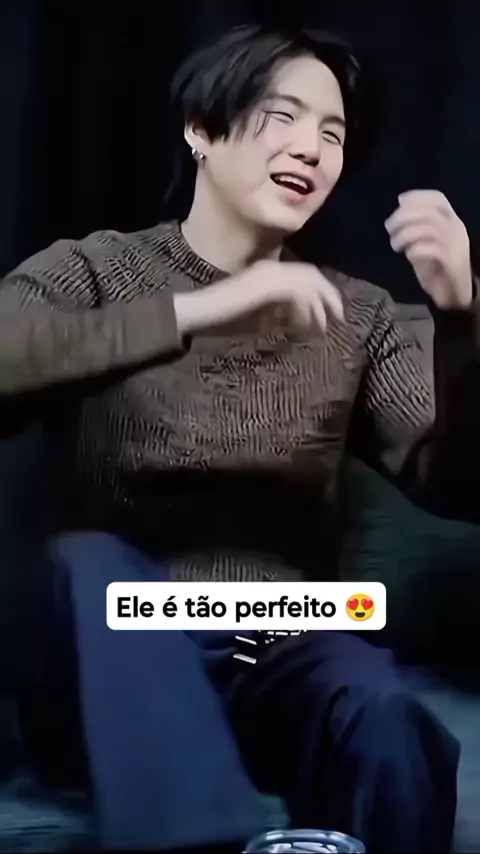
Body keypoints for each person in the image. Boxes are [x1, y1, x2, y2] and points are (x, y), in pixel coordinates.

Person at [2, 23, 478, 854]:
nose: (311, 149)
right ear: (202, 129)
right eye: (282, 116)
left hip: (277, 643)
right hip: (105, 664)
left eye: (333, 134)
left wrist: (463, 317)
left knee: (382, 710)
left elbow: (459, 484)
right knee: (90, 562)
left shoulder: (356, 315)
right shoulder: (96, 270)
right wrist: (205, 307)